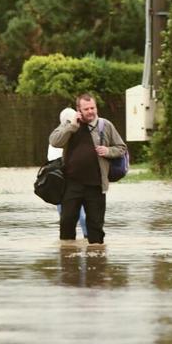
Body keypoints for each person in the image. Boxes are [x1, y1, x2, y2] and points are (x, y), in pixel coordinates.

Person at [49, 93, 126, 244]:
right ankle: (67, 259)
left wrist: (108, 151)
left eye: (93, 108)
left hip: (96, 185)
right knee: (66, 222)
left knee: (96, 227)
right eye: (86, 109)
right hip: (72, 184)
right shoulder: (70, 124)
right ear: (79, 109)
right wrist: (71, 126)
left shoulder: (105, 125)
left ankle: (97, 261)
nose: (91, 111)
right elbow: (54, 141)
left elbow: (122, 148)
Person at [48, 117, 87, 239]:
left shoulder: (58, 135)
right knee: (74, 213)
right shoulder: (60, 137)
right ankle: (84, 237)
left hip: (62, 182)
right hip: (65, 181)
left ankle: (73, 242)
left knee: (68, 214)